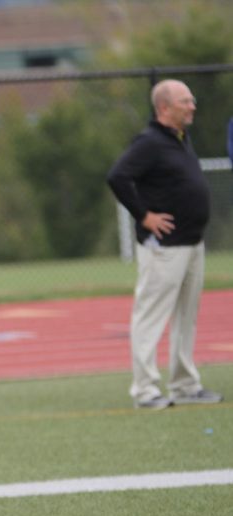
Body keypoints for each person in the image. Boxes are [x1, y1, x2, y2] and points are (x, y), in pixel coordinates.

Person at [107, 79, 223, 410]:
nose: (192, 106)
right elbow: (117, 176)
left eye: (192, 99)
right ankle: (144, 390)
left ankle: (185, 385)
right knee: (150, 315)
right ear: (164, 108)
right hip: (164, 247)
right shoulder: (149, 142)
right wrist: (144, 216)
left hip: (191, 243)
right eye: (185, 101)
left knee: (187, 316)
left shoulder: (180, 139)